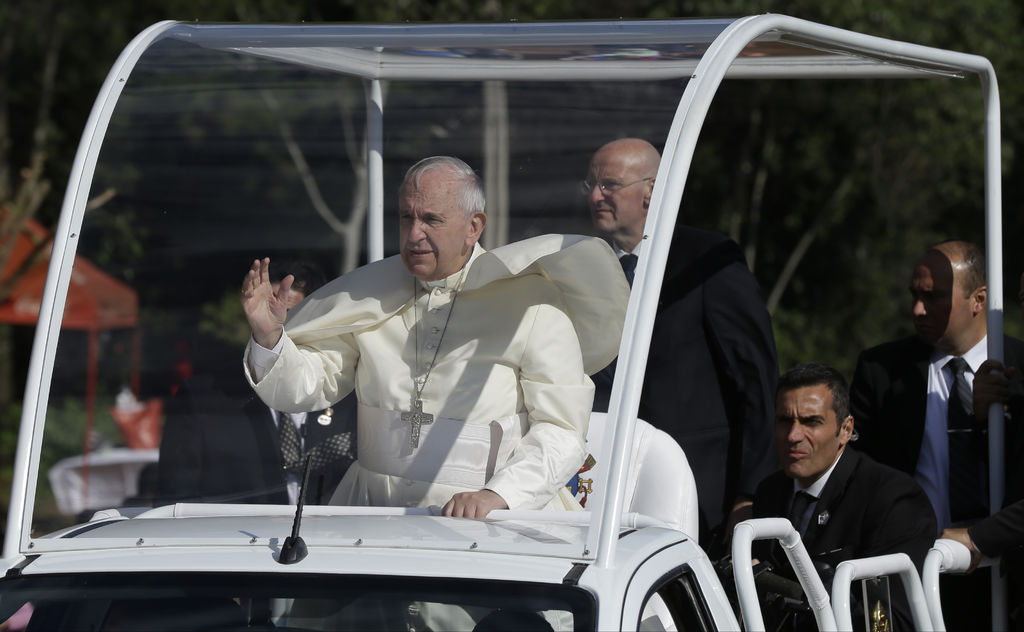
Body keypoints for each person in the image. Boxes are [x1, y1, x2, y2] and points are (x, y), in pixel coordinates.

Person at [242, 156, 628, 518]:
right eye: (406, 217)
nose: (414, 234)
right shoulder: (368, 293)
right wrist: (270, 337)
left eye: (431, 220)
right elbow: (309, 388)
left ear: (474, 226)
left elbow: (561, 429)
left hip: (486, 521)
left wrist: (500, 495)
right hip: (375, 512)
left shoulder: (533, 301)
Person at [585, 137, 778, 546]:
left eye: (610, 185)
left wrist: (751, 494)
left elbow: (756, 383)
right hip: (598, 491)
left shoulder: (708, 260)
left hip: (697, 494)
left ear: (652, 190)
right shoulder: (579, 266)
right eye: (591, 186)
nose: (597, 196)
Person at [850, 241, 1024, 530]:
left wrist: (988, 422)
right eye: (914, 295)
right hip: (912, 561)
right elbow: (857, 468)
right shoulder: (881, 369)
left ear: (979, 300)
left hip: (1002, 562)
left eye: (933, 296)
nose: (918, 309)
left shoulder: (1019, 366)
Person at [753, 362, 936, 632]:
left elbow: (890, 621)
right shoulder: (769, 492)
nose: (793, 436)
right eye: (784, 420)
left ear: (846, 430)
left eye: (811, 422)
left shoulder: (891, 498)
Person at [158, 260, 356, 505]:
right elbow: (174, 504)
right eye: (267, 313)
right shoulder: (204, 400)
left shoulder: (348, 393)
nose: (275, 326)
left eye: (289, 315)